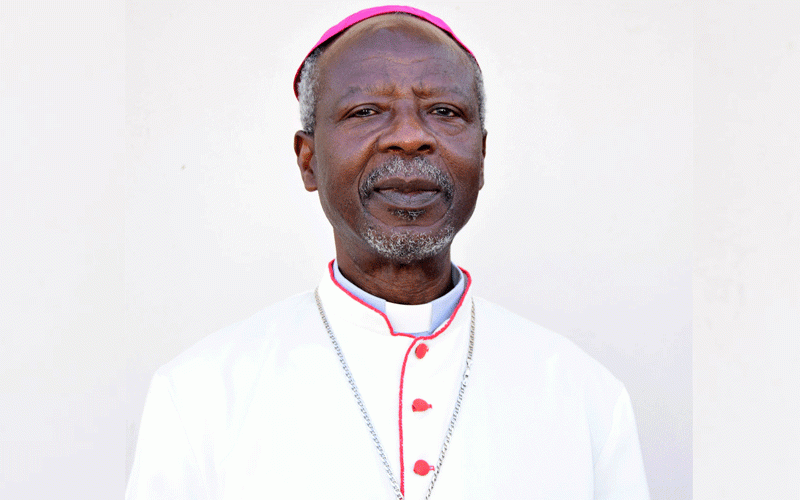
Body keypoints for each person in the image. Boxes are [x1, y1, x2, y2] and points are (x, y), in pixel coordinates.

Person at [126, 6, 650, 499]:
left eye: (444, 111)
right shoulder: (198, 399)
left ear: (482, 155)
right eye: (366, 111)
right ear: (308, 160)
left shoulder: (587, 400)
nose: (409, 136)